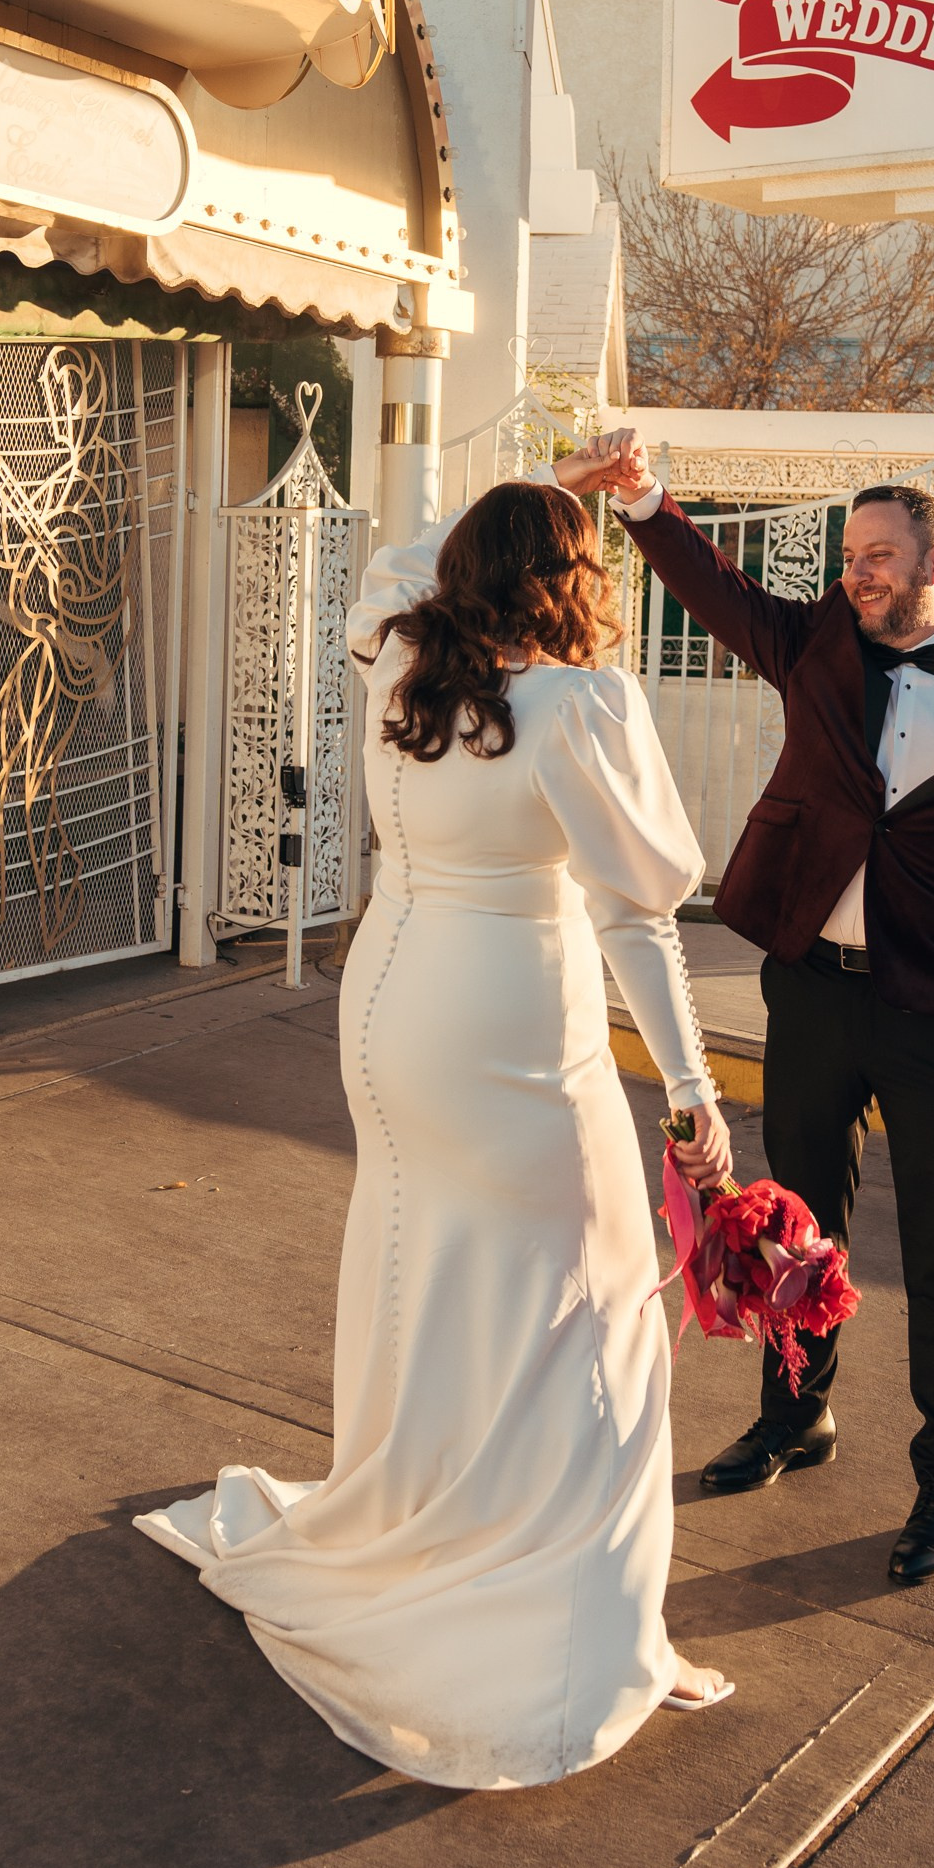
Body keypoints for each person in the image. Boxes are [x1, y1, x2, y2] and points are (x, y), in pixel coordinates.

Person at [135, 478, 737, 1791]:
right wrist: (691, 1090)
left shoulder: (402, 660)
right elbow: (637, 913)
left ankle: (419, 1506)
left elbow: (402, 563)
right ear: (574, 577)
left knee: (432, 1267)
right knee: (598, 1318)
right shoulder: (579, 705)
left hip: (391, 1011)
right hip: (511, 1027)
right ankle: (596, 1639)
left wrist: (521, 510)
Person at [555, 436, 934, 1588]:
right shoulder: (814, 644)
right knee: (794, 1228)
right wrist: (646, 501)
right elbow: (717, 592)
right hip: (810, 988)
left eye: (878, 557)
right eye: (850, 556)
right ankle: (795, 1415)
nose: (856, 573)